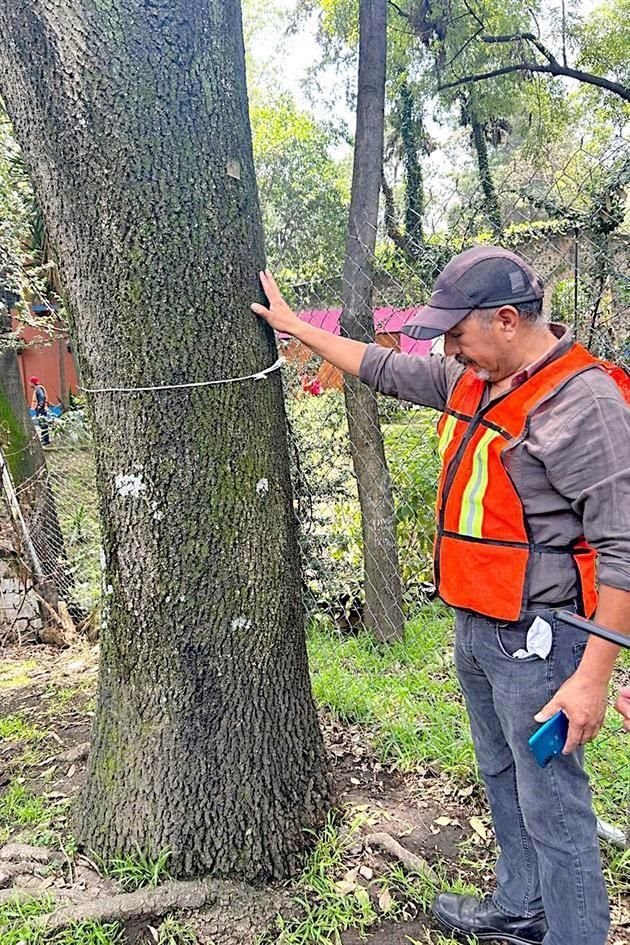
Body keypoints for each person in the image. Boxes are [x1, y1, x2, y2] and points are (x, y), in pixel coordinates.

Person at [252, 247, 630, 945]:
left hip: (544, 643)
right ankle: (522, 906)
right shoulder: (474, 379)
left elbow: (623, 550)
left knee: (555, 805)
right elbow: (381, 367)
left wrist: (592, 679)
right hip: (477, 627)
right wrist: (296, 327)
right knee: (501, 773)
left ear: (508, 320)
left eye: (459, 333)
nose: (449, 348)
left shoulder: (585, 402)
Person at [29, 375, 50, 446]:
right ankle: (44, 439)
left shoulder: (38, 389)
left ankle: (45, 440)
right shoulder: (38, 389)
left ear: (33, 383)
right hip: (41, 409)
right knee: (42, 425)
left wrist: (40, 405)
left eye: (30, 382)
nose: (29, 384)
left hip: (41, 410)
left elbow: (42, 397)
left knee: (43, 424)